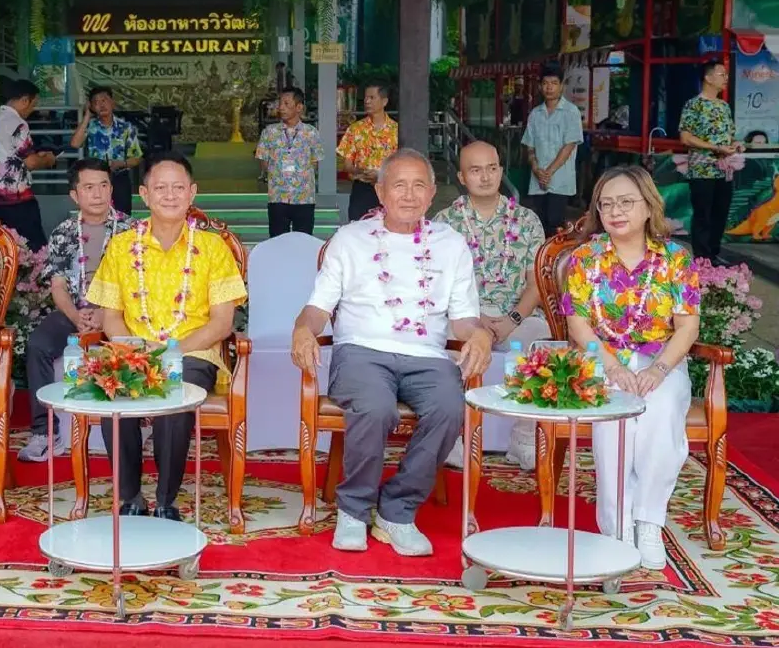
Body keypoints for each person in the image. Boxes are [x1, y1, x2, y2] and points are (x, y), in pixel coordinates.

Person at [290, 148, 493, 555]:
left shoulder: (451, 244)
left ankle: (397, 510)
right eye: (399, 184)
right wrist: (301, 330)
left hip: (428, 356)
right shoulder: (350, 239)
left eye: (419, 185)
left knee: (452, 407)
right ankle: (353, 509)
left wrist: (482, 334)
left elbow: (464, 319)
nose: (409, 194)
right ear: (380, 191)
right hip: (361, 352)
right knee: (376, 407)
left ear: (432, 193)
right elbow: (318, 308)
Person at [85, 151, 247, 519]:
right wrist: (135, 349)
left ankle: (165, 500)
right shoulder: (122, 245)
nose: (170, 195)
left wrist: (171, 352)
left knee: (176, 390)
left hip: (194, 351)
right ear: (144, 194)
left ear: (192, 193)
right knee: (113, 391)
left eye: (178, 188)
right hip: (134, 347)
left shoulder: (212, 248)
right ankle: (130, 498)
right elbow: (110, 316)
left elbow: (222, 324)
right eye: (161, 188)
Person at [558, 165, 700, 570]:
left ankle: (649, 520)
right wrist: (612, 366)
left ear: (647, 206)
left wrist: (657, 370)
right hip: (605, 358)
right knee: (615, 418)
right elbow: (577, 322)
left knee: (661, 409)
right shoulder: (586, 258)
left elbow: (688, 325)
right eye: (606, 204)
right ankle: (616, 526)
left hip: (662, 358)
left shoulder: (676, 258)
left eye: (625, 202)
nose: (616, 211)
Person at [433, 141, 549, 471]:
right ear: (461, 176)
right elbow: (439, 283)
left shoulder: (526, 220)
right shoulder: (444, 222)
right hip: (464, 317)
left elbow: (536, 283)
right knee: (445, 346)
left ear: (501, 171)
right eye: (475, 170)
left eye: (491, 168)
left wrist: (511, 319)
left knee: (539, 341)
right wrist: (475, 320)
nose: (485, 176)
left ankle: (523, 439)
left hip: (518, 318)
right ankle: (455, 437)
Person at [21, 159, 134, 462]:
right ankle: (44, 432)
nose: (97, 193)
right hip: (75, 310)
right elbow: (57, 285)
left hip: (118, 314)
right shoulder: (63, 233)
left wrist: (106, 314)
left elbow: (138, 285)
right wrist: (74, 316)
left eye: (103, 185)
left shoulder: (131, 230)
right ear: (75, 195)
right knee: (38, 345)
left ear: (111, 188)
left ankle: (128, 429)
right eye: (88, 187)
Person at [0, 79, 57, 252]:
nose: (33, 109)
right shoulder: (18, 123)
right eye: (33, 104)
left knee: (0, 248)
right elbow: (30, 162)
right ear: (24, 100)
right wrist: (47, 159)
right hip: (16, 197)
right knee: (34, 249)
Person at [679, 60, 744, 265]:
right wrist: (715, 148)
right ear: (708, 78)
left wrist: (735, 145)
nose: (726, 78)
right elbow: (685, 137)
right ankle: (702, 259)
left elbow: (729, 136)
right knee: (703, 215)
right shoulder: (694, 104)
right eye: (721, 74)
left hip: (725, 171)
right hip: (702, 169)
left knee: (720, 213)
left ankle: (714, 255)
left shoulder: (724, 106)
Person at [521, 62, 584, 236]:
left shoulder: (571, 112)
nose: (549, 87)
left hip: (559, 180)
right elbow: (530, 146)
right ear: (541, 86)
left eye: (554, 83)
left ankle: (554, 260)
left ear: (562, 86)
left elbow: (569, 146)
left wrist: (548, 172)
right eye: (546, 83)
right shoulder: (535, 114)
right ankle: (540, 260)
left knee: (554, 222)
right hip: (538, 180)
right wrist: (535, 168)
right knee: (539, 223)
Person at [256, 86, 322, 237]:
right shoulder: (269, 132)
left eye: (286, 104)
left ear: (299, 107)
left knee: (303, 242)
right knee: (278, 242)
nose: (281, 107)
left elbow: (315, 162)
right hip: (278, 197)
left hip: (304, 198)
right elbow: (263, 162)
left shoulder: (311, 132)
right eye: (280, 103)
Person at [70, 86, 143, 216]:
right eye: (96, 102)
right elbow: (75, 143)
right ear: (92, 107)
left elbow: (136, 158)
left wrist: (120, 164)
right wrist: (87, 115)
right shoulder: (90, 126)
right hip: (94, 178)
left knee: (123, 216)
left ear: (112, 103)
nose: (101, 105)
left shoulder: (126, 127)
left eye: (104, 100)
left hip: (119, 177)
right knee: (96, 215)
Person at [337, 82, 398, 221]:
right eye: (365, 98)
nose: (366, 101)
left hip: (388, 188)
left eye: (371, 97)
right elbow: (346, 165)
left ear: (384, 101)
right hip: (362, 190)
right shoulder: (355, 129)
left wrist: (381, 175)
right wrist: (360, 171)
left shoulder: (396, 131)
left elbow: (402, 165)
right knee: (358, 232)